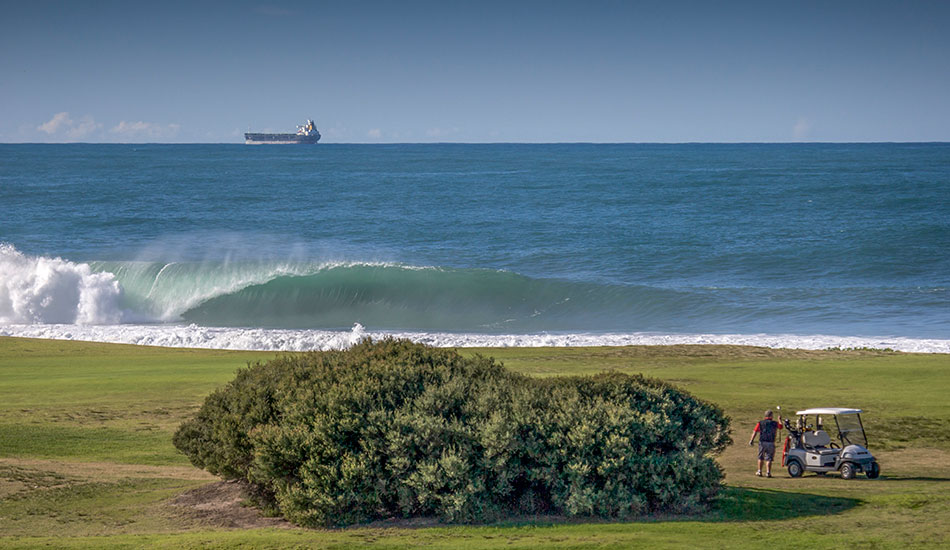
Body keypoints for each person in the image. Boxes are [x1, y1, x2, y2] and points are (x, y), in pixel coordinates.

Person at [749, 410, 784, 477]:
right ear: (771, 416)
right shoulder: (774, 423)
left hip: (762, 442)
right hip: (771, 442)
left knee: (760, 457)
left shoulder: (761, 423)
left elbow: (755, 431)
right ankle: (768, 472)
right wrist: (779, 420)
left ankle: (759, 471)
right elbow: (780, 427)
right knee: (769, 458)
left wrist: (751, 440)